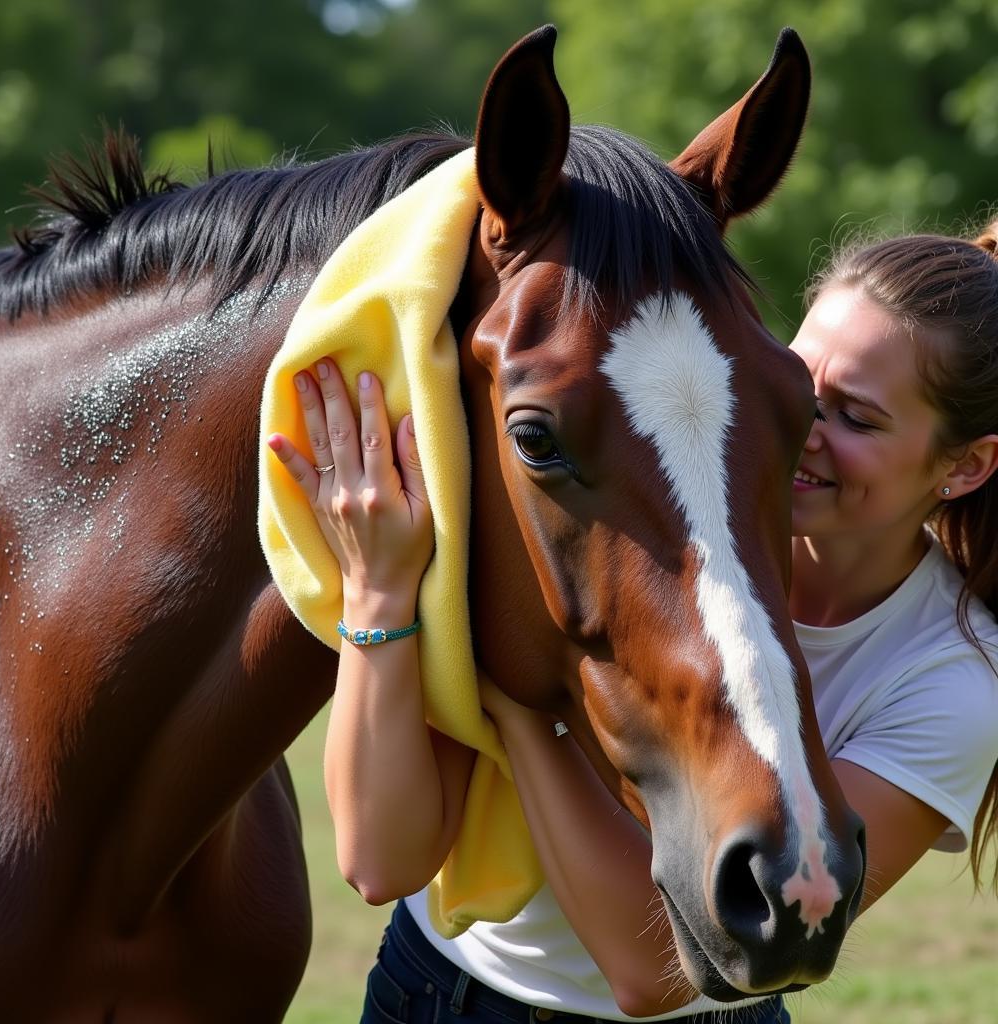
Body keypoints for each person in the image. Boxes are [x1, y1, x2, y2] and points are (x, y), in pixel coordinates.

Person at [267, 222, 998, 1023]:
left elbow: (657, 975)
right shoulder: (635, 527)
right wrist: (379, 593)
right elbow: (378, 863)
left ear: (965, 465)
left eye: (856, 417)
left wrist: (522, 701)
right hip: (437, 990)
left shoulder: (955, 678)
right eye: (796, 386)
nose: (801, 430)